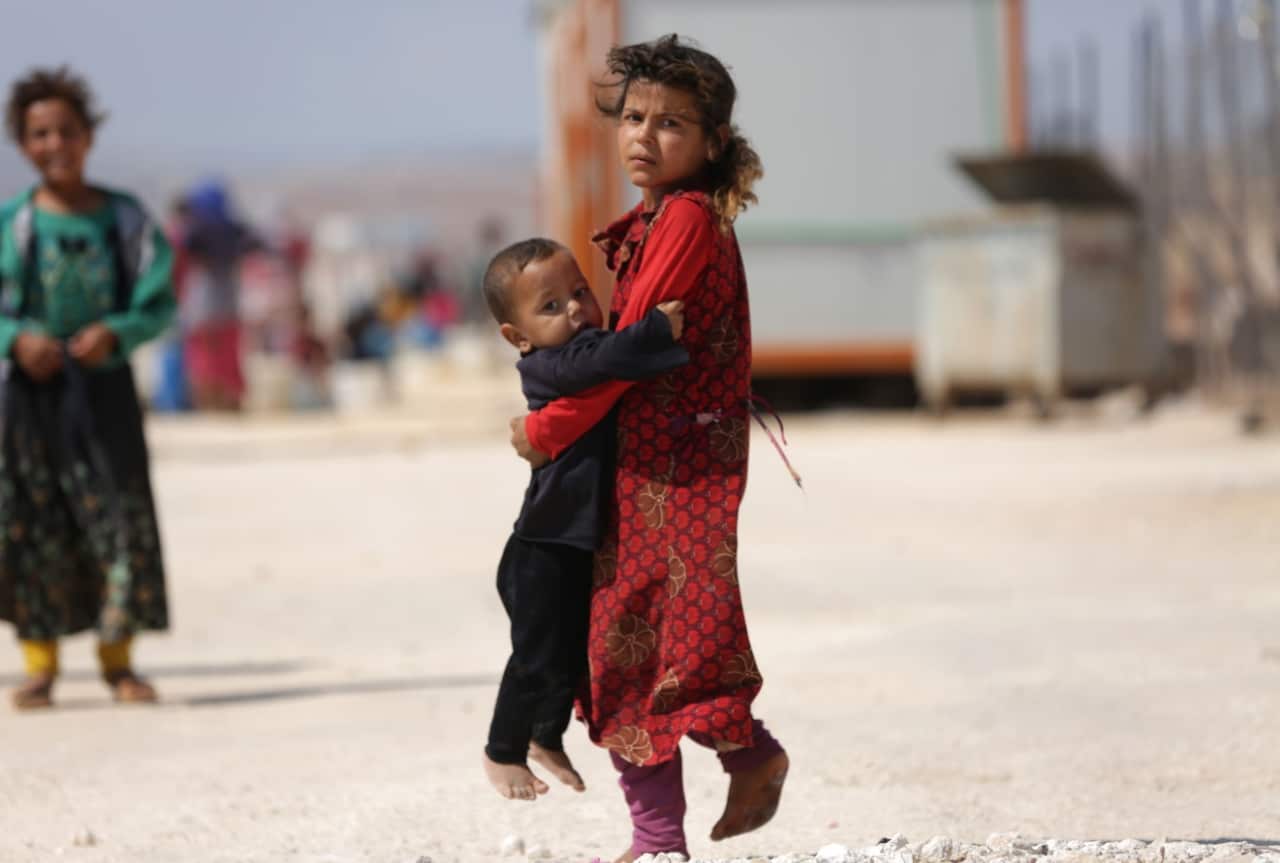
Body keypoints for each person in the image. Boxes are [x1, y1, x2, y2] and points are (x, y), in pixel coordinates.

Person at [508, 35, 787, 859]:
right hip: (647, 470)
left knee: (648, 639)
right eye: (633, 117)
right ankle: (736, 765)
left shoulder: (690, 218)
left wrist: (547, 428)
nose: (644, 135)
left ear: (712, 143)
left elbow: (630, 350)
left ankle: (669, 827)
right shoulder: (666, 215)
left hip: (680, 469)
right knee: (652, 638)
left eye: (671, 123)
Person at [481, 237, 689, 801]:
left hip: (573, 543)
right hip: (542, 547)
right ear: (517, 337)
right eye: (550, 306)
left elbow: (609, 359)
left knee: (572, 653)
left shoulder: (587, 351)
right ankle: (501, 750)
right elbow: (605, 360)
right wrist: (654, 332)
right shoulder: (551, 367)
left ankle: (546, 736)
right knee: (537, 656)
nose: (574, 309)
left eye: (579, 292)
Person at [0, 67, 176, 709]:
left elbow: (160, 303)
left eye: (66, 131)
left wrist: (117, 332)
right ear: (23, 143)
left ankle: (118, 662)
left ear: (88, 137)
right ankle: (40, 664)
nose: (55, 144)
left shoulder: (126, 220)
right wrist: (15, 338)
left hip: (105, 396)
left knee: (118, 520)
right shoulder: (12, 224)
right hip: (30, 398)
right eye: (39, 133)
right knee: (34, 520)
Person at [178, 180, 259, 411]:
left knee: (203, 357)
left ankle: (209, 404)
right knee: (228, 356)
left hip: (203, 303)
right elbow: (254, 244)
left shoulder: (196, 229)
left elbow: (184, 248)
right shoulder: (235, 229)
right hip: (229, 302)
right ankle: (230, 403)